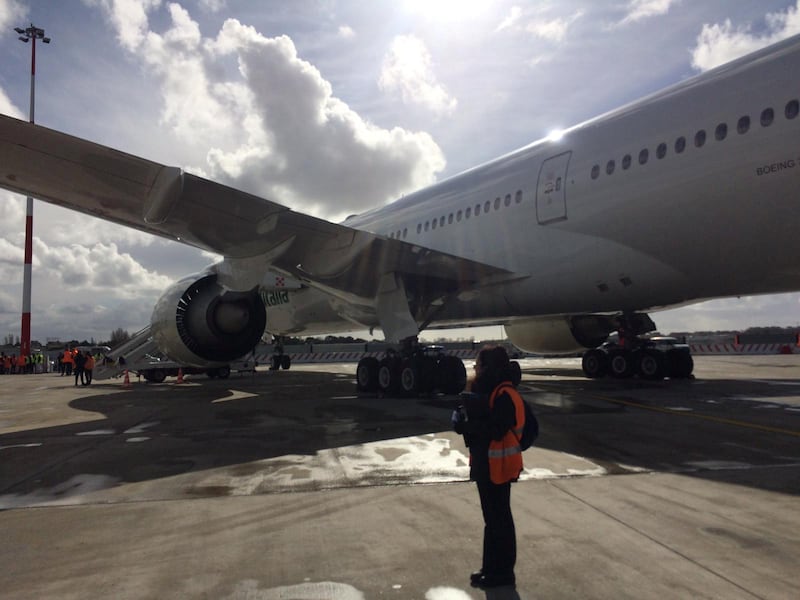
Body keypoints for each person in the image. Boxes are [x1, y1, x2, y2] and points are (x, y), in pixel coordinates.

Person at [453, 344, 525, 589]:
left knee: (500, 520)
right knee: (492, 520)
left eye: (479, 364)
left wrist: (469, 425)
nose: (476, 368)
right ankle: (490, 568)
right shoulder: (491, 391)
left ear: (489, 367)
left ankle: (503, 573)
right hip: (487, 464)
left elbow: (497, 428)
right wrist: (462, 416)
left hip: (500, 465)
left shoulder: (505, 393)